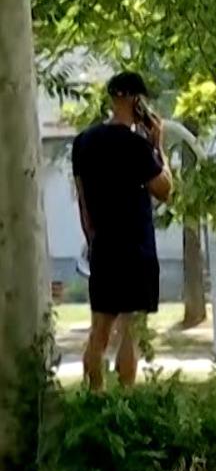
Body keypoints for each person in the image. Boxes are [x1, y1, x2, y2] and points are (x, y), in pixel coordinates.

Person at [71, 71, 174, 391]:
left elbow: (82, 200)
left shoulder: (83, 142)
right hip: (136, 248)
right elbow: (164, 189)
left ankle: (94, 396)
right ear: (134, 100)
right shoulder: (137, 146)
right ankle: (126, 398)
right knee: (130, 328)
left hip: (103, 246)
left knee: (99, 329)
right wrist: (158, 146)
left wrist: (92, 239)